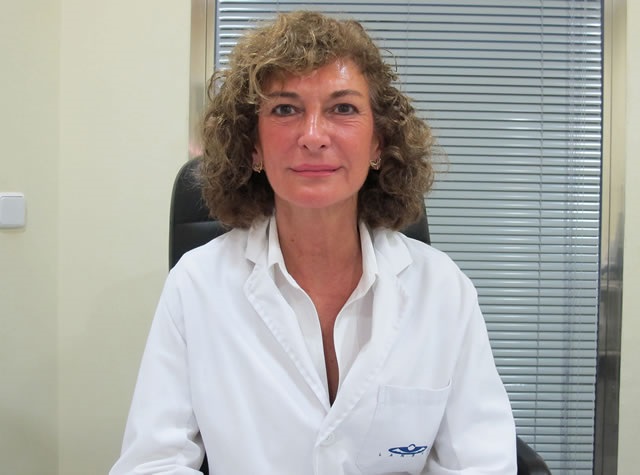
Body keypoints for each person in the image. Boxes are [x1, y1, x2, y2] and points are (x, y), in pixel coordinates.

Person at [111, 10, 516, 475]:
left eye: (343, 109)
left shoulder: (441, 288)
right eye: (285, 109)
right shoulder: (196, 285)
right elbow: (153, 463)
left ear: (378, 142)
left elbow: (482, 462)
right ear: (253, 145)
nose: (313, 136)